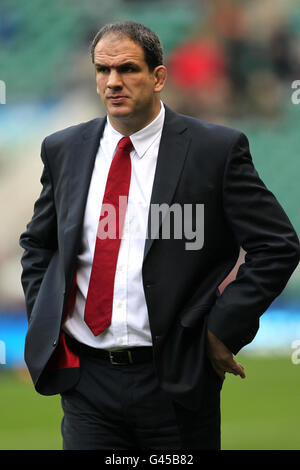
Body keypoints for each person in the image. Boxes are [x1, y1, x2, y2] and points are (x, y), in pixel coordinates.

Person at [19, 21, 299, 450]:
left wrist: (222, 329)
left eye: (128, 68)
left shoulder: (214, 150)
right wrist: (46, 313)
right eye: (102, 70)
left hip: (176, 376)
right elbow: (39, 244)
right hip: (87, 380)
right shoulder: (64, 149)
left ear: (159, 76)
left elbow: (277, 245)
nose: (113, 81)